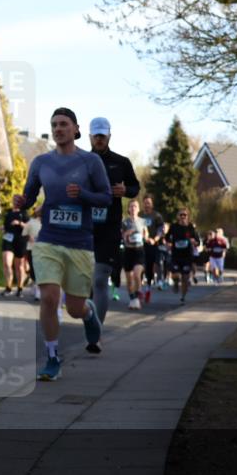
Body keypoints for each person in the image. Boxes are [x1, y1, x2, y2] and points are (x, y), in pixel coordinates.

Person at [14, 108, 111, 380]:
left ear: (76, 129)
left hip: (80, 242)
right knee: (49, 297)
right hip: (49, 241)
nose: (58, 129)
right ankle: (53, 356)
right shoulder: (41, 162)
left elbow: (105, 198)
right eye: (54, 124)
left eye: (63, 124)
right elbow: (30, 197)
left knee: (74, 308)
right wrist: (22, 202)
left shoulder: (90, 162)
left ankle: (89, 314)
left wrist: (82, 194)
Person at [88, 117, 140, 324]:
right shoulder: (80, 160)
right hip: (83, 228)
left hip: (109, 228)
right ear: (90, 136)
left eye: (103, 135)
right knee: (85, 283)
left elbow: (135, 187)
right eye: (96, 135)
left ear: (109, 135)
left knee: (100, 279)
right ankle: (89, 320)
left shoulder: (121, 162)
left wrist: (126, 190)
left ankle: (96, 331)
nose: (99, 139)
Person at [165, 208, 201, 304]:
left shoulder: (191, 228)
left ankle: (183, 297)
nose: (182, 217)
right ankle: (176, 283)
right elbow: (167, 237)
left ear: (187, 216)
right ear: (178, 216)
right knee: (176, 275)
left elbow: (198, 242)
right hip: (176, 255)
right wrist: (168, 243)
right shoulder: (173, 227)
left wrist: (195, 242)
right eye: (181, 215)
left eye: (184, 215)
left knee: (185, 278)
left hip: (187, 256)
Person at [121, 200, 148, 310]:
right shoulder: (125, 222)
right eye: (131, 206)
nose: (133, 208)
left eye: (135, 206)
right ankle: (133, 299)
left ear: (138, 209)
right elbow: (122, 236)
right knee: (129, 278)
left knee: (137, 274)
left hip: (139, 251)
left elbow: (146, 234)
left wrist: (146, 236)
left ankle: (139, 292)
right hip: (128, 251)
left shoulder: (142, 221)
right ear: (128, 209)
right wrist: (127, 233)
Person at [0, 200, 29, 297]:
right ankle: (8, 287)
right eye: (14, 200)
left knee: (19, 266)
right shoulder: (8, 213)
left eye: (18, 200)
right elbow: (5, 225)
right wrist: (3, 228)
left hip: (20, 240)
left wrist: (19, 223)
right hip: (8, 239)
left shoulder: (24, 213)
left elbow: (28, 227)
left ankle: (20, 288)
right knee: (6, 263)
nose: (15, 202)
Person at [140, 195, 165, 303]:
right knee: (140, 265)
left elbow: (161, 229)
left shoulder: (156, 216)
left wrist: (155, 239)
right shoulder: (139, 215)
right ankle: (139, 289)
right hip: (140, 244)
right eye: (145, 203)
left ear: (152, 204)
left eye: (149, 203)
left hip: (152, 244)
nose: (147, 205)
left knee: (150, 266)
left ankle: (148, 289)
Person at [23, 205, 42, 301]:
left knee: (41, 269)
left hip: (43, 250)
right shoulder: (30, 222)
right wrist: (29, 237)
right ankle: (35, 285)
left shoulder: (46, 222)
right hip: (31, 249)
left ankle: (38, 289)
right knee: (33, 269)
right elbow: (24, 235)